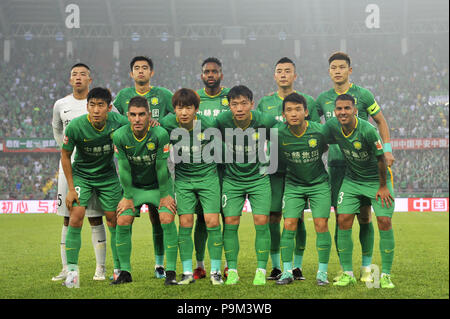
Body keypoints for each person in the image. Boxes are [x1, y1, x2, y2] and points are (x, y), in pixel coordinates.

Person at [316, 52, 395, 282]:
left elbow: (381, 120)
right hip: (337, 165)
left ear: (350, 70)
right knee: (342, 217)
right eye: (333, 67)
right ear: (329, 71)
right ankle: (346, 271)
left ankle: (367, 267)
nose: (338, 71)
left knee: (365, 217)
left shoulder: (363, 95)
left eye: (342, 67)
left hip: (365, 163)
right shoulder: (323, 99)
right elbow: (311, 124)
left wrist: (387, 148)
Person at [257, 57, 320, 281]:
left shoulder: (308, 102)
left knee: (298, 217)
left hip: (298, 170)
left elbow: (315, 132)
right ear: (274, 76)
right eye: (279, 71)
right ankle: (276, 266)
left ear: (295, 75)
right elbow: (260, 134)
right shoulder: (264, 103)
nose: (283, 74)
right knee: (273, 217)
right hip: (273, 169)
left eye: (288, 71)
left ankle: (297, 267)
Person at [61, 87, 129, 288]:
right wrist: (71, 188)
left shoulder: (120, 123)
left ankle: (118, 270)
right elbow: (65, 155)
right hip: (82, 175)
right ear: (87, 106)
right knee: (75, 216)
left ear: (109, 108)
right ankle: (72, 273)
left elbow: (137, 125)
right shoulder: (75, 126)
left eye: (101, 105)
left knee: (114, 218)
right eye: (92, 105)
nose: (96, 110)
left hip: (108, 176)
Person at [113, 55, 174, 278]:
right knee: (122, 218)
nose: (140, 71)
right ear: (131, 74)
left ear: (152, 72)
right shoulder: (122, 97)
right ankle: (122, 271)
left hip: (158, 155)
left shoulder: (164, 95)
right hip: (133, 162)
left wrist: (159, 124)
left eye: (145, 68)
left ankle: (162, 266)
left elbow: (175, 116)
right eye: (136, 68)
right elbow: (115, 118)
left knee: (159, 218)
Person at [160, 88, 224, 285]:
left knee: (212, 222)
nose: (184, 112)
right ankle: (187, 272)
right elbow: (154, 128)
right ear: (174, 110)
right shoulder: (167, 124)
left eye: (188, 108)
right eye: (180, 108)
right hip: (183, 180)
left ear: (196, 109)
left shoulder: (209, 126)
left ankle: (215, 271)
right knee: (185, 224)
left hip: (208, 179)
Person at [215, 85, 278, 286]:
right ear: (229, 106)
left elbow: (281, 133)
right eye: (234, 104)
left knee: (261, 222)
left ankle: (261, 270)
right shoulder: (222, 121)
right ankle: (232, 270)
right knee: (231, 223)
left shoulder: (265, 121)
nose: (239, 108)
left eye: (244, 103)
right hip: (232, 180)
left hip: (259, 179)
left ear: (252, 103)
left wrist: (270, 160)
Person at [51, 63, 108, 282]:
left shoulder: (96, 104)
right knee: (68, 218)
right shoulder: (61, 104)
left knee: (95, 218)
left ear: (90, 80)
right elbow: (57, 128)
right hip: (68, 169)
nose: (78, 77)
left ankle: (100, 269)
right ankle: (67, 269)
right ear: (69, 79)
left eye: (83, 74)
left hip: (95, 168)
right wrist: (66, 150)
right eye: (74, 74)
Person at [275, 93, 332, 286]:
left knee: (321, 225)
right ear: (283, 114)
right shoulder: (279, 134)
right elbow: (275, 158)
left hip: (318, 184)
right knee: (289, 224)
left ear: (306, 112)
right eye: (289, 110)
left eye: (298, 109)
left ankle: (322, 273)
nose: (293, 113)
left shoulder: (319, 131)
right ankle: (286, 272)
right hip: (293, 184)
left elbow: (325, 147)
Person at [193, 57, 230, 280]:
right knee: (201, 219)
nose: (210, 74)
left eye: (214, 71)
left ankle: (227, 264)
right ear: (201, 75)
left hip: (227, 167)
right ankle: (199, 265)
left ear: (221, 75)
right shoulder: (195, 99)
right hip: (202, 167)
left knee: (228, 216)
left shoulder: (231, 98)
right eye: (206, 71)